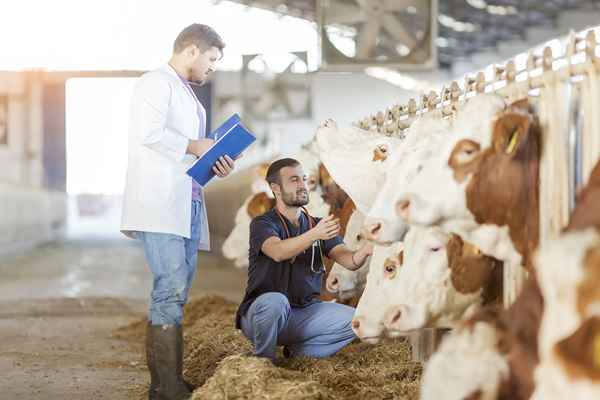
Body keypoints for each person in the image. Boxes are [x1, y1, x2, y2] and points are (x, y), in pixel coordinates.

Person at [121, 24, 235, 400]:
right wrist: (195, 144)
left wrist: (212, 161)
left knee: (178, 291)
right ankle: (165, 386)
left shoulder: (186, 93)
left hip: (184, 201)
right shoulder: (155, 83)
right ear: (191, 50)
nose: (213, 68)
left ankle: (166, 382)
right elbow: (148, 134)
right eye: (212, 59)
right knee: (169, 289)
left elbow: (187, 155)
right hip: (160, 204)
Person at [235, 158, 373, 362]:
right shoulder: (263, 223)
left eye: (303, 179)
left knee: (356, 320)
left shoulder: (316, 224)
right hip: (262, 314)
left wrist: (369, 247)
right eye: (294, 180)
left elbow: (350, 261)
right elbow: (278, 252)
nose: (302, 185)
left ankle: (298, 355)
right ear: (276, 188)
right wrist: (315, 234)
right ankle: (263, 361)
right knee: (276, 301)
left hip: (303, 313)